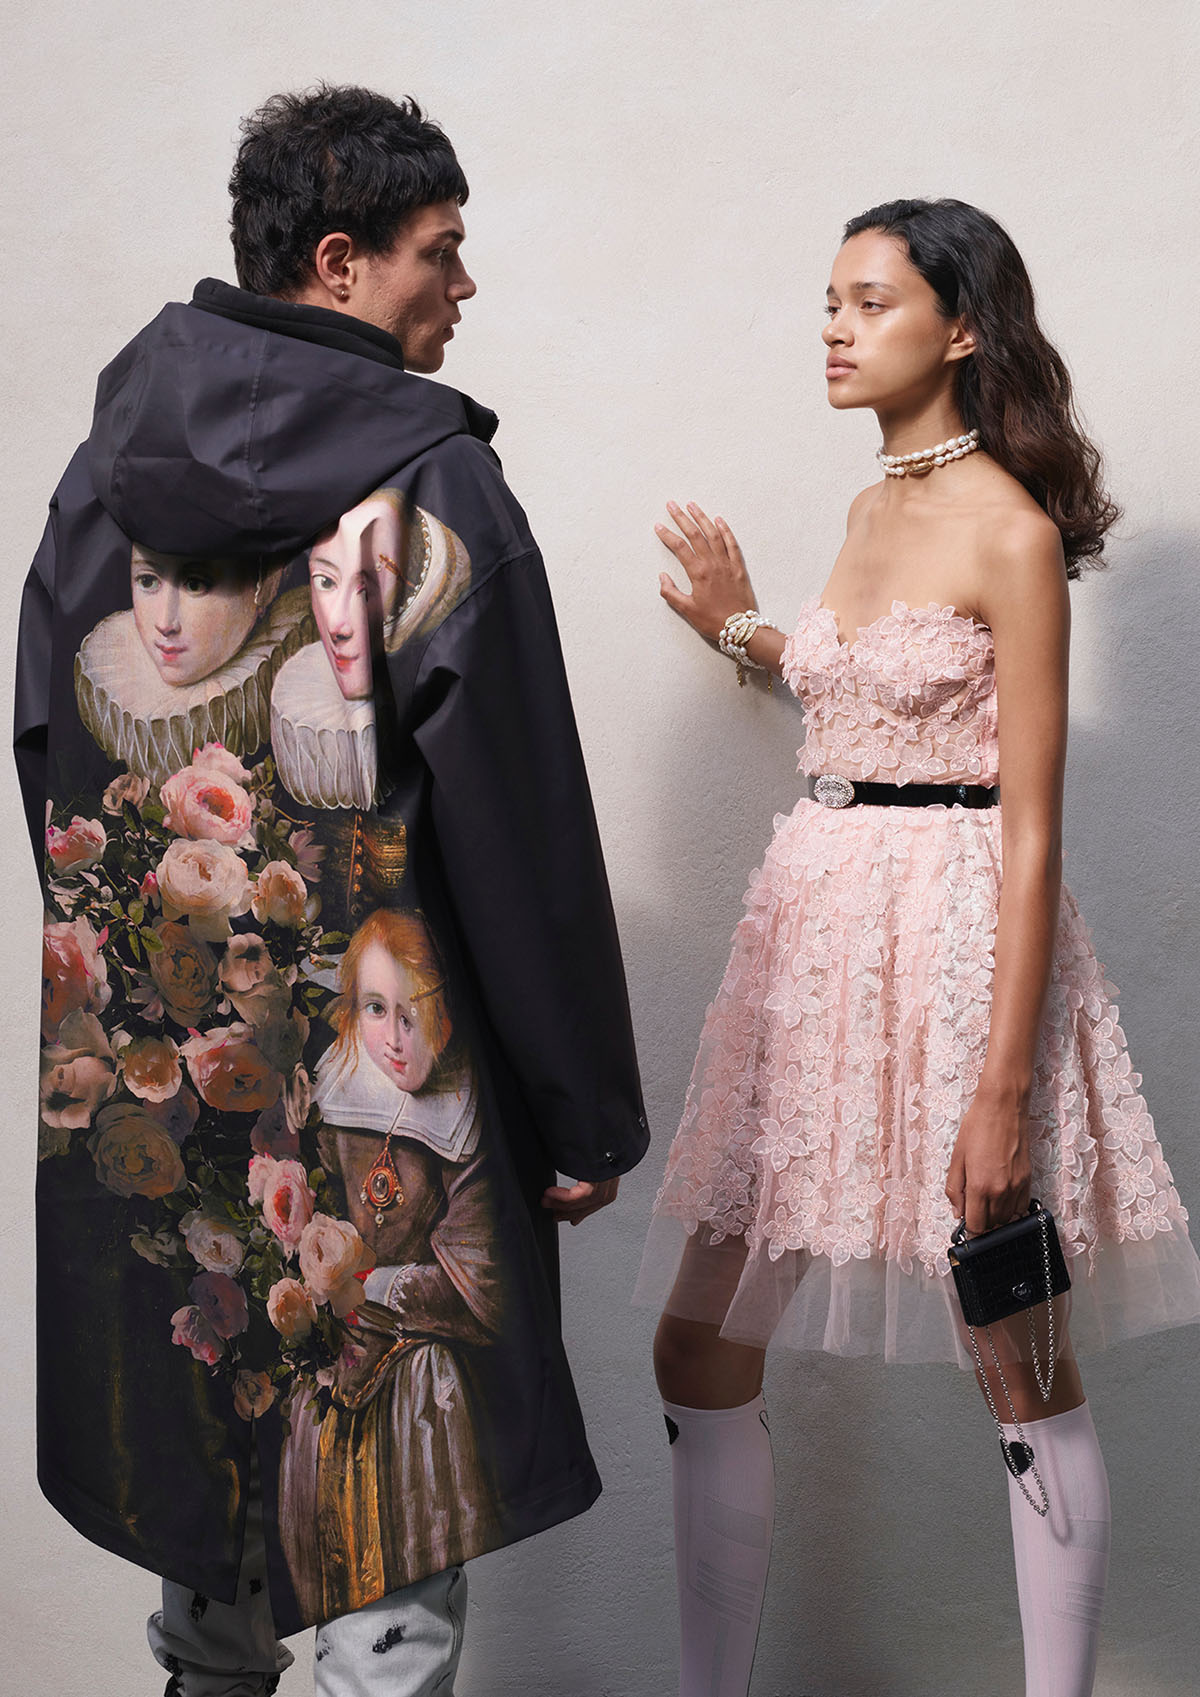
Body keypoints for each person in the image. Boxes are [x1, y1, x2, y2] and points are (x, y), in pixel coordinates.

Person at [16, 84, 647, 1697]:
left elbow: (43, 742)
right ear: (344, 260)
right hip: (380, 1089)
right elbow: (518, 823)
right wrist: (580, 1111)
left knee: (203, 1441)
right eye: (443, 249)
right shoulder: (436, 494)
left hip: (163, 1072)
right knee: (386, 1508)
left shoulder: (102, 478)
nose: (465, 284)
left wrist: (133, 963)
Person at [638, 198, 1200, 1697]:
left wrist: (1001, 1089)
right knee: (697, 1343)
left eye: (870, 302)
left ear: (959, 328)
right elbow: (870, 688)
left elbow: (1031, 827)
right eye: (830, 299)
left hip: (952, 946)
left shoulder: (1011, 530)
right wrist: (743, 628)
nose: (834, 326)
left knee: (1016, 1354)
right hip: (814, 950)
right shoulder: (871, 505)